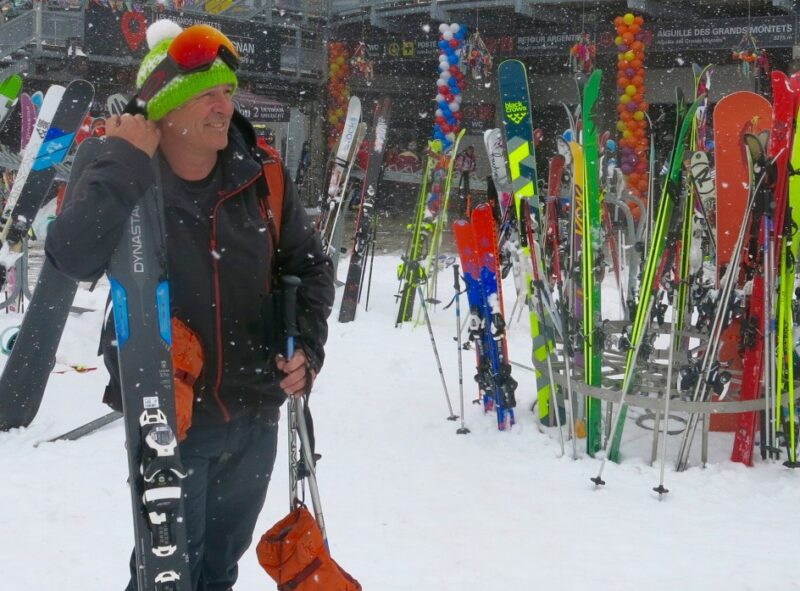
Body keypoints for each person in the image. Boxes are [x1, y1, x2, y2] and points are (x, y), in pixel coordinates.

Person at [45, 20, 334, 591]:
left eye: (228, 92)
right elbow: (71, 257)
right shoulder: (127, 176)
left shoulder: (263, 176)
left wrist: (306, 346)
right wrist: (123, 161)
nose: (225, 106)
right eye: (207, 94)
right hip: (171, 422)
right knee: (164, 577)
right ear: (167, 108)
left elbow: (310, 266)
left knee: (218, 572)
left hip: (255, 418)